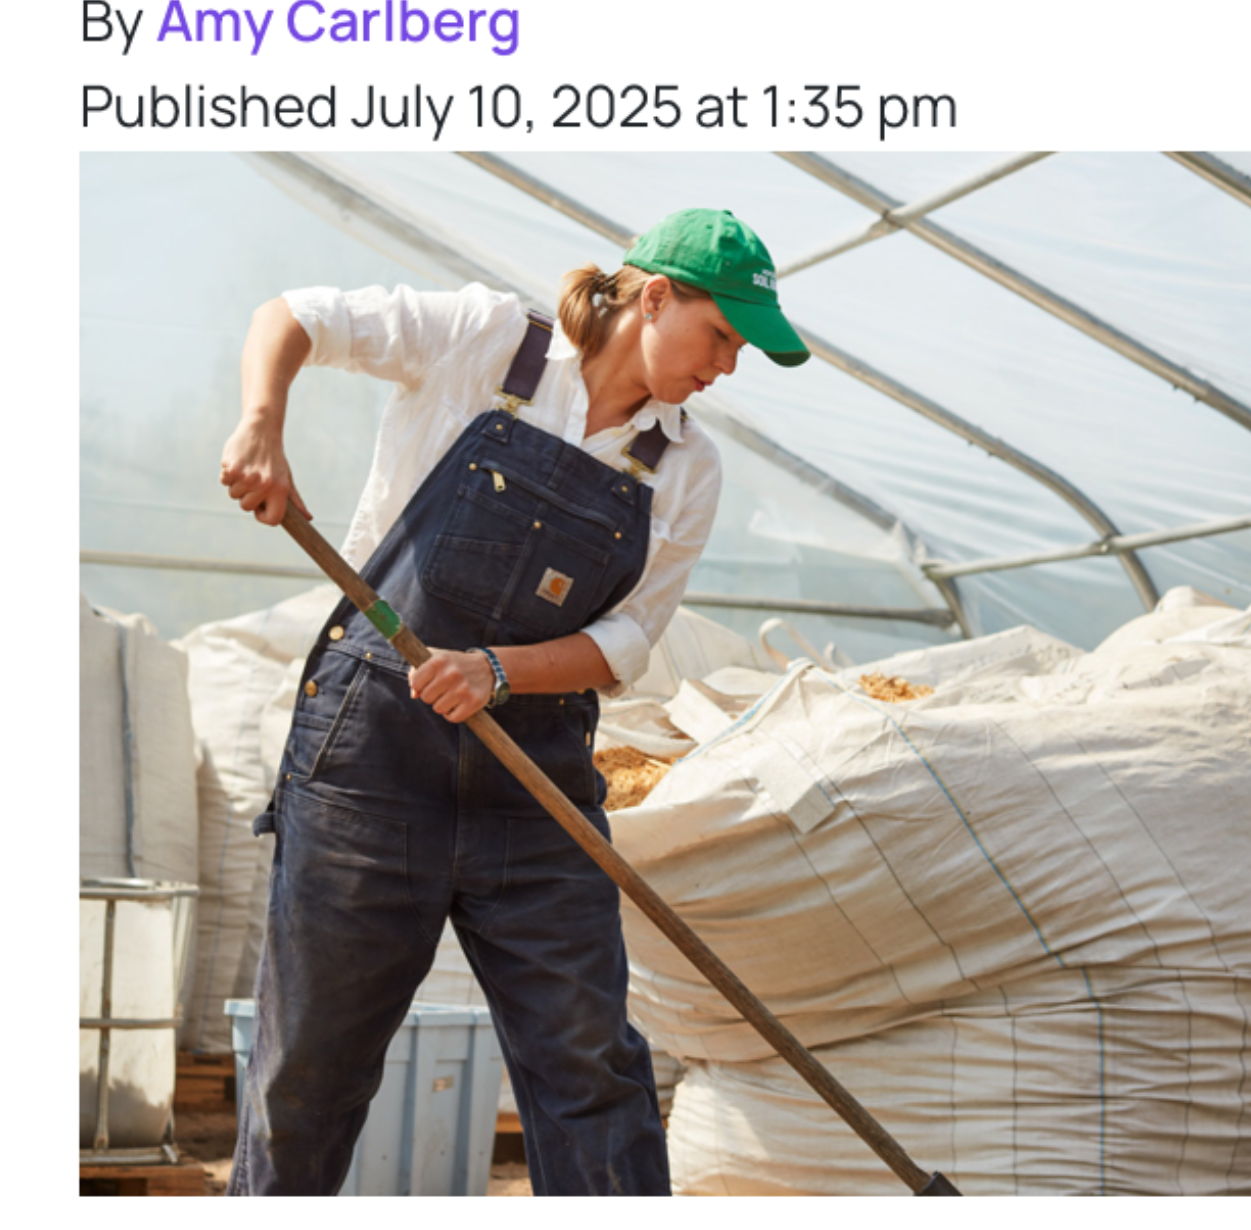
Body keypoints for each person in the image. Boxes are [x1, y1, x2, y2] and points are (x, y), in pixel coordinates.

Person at [217, 208, 809, 1196]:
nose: (727, 366)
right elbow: (295, 317)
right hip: (369, 770)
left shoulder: (686, 467)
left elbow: (629, 640)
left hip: (529, 789)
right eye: (720, 336)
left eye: (741, 350)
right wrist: (261, 423)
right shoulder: (488, 338)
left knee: (592, 1074)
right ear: (656, 298)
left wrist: (498, 670)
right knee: (308, 1077)